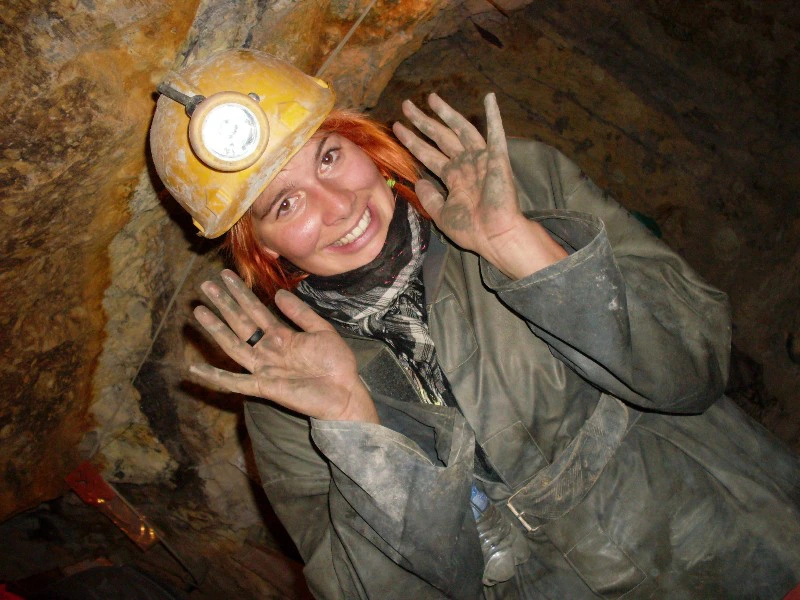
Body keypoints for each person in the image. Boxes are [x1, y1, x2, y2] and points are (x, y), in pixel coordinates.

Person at [150, 49, 800, 599]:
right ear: (262, 247)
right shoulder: (287, 389)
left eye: (327, 158)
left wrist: (523, 247)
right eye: (285, 203)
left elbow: (695, 368)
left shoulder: (513, 182)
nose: (338, 203)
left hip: (733, 536)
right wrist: (353, 428)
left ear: (362, 144)